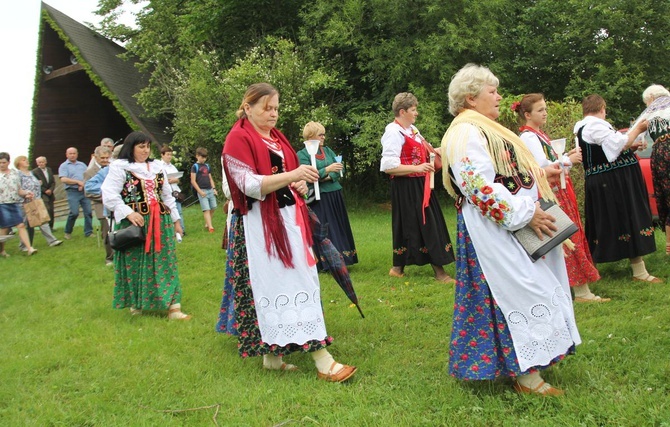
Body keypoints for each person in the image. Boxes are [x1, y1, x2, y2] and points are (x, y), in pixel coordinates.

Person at [442, 64, 581, 396]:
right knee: (517, 292)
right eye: (493, 91)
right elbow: (478, 187)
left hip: (506, 224)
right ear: (471, 97)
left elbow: (506, 176)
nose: (499, 96)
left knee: (521, 290)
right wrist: (525, 213)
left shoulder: (481, 127)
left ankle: (525, 369)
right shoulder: (465, 132)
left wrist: (535, 189)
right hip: (494, 228)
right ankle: (526, 377)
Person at [217, 82, 356, 382]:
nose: (273, 114)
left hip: (287, 222)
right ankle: (324, 361)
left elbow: (286, 181)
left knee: (292, 283)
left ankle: (272, 359)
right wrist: (292, 176)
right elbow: (249, 185)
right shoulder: (237, 140)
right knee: (285, 285)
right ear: (247, 107)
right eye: (266, 108)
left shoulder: (276, 139)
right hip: (259, 229)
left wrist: (299, 185)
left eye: (276, 108)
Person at [514, 94, 605, 302]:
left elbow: (551, 161)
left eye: (545, 108)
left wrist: (565, 157)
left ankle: (577, 288)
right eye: (540, 110)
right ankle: (580, 291)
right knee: (565, 235)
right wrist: (567, 159)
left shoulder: (538, 134)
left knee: (568, 234)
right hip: (550, 191)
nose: (545, 113)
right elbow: (541, 168)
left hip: (557, 189)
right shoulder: (528, 137)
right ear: (527, 114)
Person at [101, 131, 189, 320]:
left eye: (148, 146)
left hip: (161, 221)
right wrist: (129, 212)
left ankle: (173, 306)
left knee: (165, 261)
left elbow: (166, 195)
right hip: (135, 222)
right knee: (135, 262)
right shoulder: (120, 167)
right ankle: (136, 304)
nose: (145, 150)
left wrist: (176, 221)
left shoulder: (157, 167)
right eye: (141, 146)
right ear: (131, 147)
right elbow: (109, 194)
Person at [574, 94, 660, 282]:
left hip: (610, 180)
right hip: (612, 182)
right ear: (602, 108)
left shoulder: (584, 127)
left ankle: (635, 271)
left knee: (612, 222)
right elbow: (618, 144)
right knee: (625, 219)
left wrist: (629, 147)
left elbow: (611, 149)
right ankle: (597, 273)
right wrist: (637, 128)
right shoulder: (594, 125)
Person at [380, 92, 455, 282]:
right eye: (413, 110)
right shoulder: (393, 133)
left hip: (420, 184)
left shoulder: (412, 129)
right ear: (402, 111)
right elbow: (388, 166)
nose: (417, 113)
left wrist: (448, 148)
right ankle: (440, 273)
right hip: (406, 186)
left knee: (413, 225)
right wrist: (417, 167)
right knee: (424, 224)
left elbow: (428, 151)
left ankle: (397, 268)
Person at [297, 121, 358, 269]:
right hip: (319, 198)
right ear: (311, 136)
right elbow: (307, 176)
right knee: (323, 228)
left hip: (334, 194)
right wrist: (327, 170)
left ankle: (343, 258)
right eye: (320, 134)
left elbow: (337, 172)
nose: (323, 137)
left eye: (324, 134)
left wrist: (327, 175)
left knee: (338, 226)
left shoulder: (328, 151)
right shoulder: (302, 155)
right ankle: (326, 262)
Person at [639, 84, 670, 254]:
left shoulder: (651, 114)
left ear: (651, 98)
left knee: (666, 197)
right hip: (666, 153)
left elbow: (639, 136)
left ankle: (669, 246)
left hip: (659, 155)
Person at [15, 155, 63, 249]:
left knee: (43, 221)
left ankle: (52, 241)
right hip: (25, 202)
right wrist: (25, 194)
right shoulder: (18, 175)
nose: (27, 161)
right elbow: (17, 188)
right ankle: (24, 245)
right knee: (27, 225)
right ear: (18, 163)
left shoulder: (31, 173)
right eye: (24, 160)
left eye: (26, 159)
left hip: (36, 200)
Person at [0, 152, 38, 256]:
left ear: (8, 162)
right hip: (2, 204)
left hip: (15, 203)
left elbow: (19, 190)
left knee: (21, 225)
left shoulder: (14, 173)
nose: (1, 164)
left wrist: (26, 194)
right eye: (0, 163)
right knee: (5, 228)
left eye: (3, 162)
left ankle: (29, 248)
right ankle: (2, 250)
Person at [84, 146, 113, 266]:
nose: (105, 160)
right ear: (95, 157)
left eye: (107, 157)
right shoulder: (89, 172)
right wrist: (105, 196)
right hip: (102, 207)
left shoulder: (113, 168)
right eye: (102, 158)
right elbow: (88, 192)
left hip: (116, 206)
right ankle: (110, 257)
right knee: (107, 232)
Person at [58, 147, 93, 239]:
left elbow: (87, 176)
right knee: (74, 213)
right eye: (70, 153)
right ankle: (68, 231)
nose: (72, 155)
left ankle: (88, 232)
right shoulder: (64, 166)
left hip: (84, 191)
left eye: (74, 153)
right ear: (67, 155)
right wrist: (77, 182)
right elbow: (63, 179)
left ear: (77, 154)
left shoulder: (82, 165)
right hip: (72, 191)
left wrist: (83, 184)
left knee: (88, 212)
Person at [156, 145, 186, 236]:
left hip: (175, 190)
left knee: (179, 210)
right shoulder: (159, 166)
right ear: (162, 155)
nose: (169, 156)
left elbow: (178, 178)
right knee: (170, 210)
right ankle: (172, 230)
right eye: (167, 154)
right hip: (167, 192)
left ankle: (181, 229)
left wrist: (176, 180)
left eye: (170, 155)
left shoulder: (172, 166)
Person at [190, 147, 218, 233]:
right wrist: (200, 191)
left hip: (210, 189)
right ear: (197, 156)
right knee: (206, 209)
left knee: (213, 207)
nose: (203, 159)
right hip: (202, 190)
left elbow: (210, 178)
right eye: (202, 157)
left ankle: (207, 223)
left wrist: (214, 188)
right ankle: (210, 227)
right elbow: (193, 181)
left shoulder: (207, 166)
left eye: (205, 157)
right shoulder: (195, 166)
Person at [32, 156, 56, 229]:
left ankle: (51, 226)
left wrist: (51, 190)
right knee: (47, 208)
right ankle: (46, 226)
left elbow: (53, 182)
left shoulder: (49, 170)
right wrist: (45, 190)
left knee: (51, 210)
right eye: (39, 162)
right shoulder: (35, 172)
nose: (41, 164)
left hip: (50, 193)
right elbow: (35, 183)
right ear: (37, 163)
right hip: (42, 193)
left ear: (45, 162)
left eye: (42, 162)